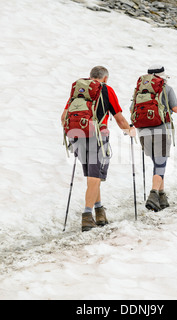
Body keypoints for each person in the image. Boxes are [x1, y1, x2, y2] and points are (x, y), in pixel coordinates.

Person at [61, 66, 135, 232]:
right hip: (97, 137)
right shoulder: (106, 90)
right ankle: (87, 216)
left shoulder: (79, 90)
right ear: (105, 78)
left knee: (91, 175)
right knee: (95, 176)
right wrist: (129, 131)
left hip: (76, 135)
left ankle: (99, 211)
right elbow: (118, 117)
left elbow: (63, 117)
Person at [131, 65, 177, 212]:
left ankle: (162, 197)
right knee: (160, 164)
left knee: (157, 163)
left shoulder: (139, 89)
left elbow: (132, 109)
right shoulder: (166, 88)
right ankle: (153, 194)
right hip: (161, 129)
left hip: (143, 130)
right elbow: (175, 108)